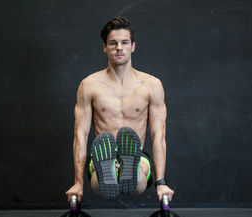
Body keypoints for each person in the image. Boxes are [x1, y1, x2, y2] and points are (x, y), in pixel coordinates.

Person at [66, 17, 174, 203]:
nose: (119, 48)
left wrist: (161, 182)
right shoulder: (89, 85)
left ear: (133, 46)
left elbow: (159, 135)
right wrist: (78, 183)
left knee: (137, 178)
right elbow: (80, 136)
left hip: (138, 155)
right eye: (113, 43)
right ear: (104, 47)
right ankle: (109, 165)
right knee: (101, 181)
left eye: (124, 43)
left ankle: (127, 165)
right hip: (101, 154)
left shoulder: (151, 85)